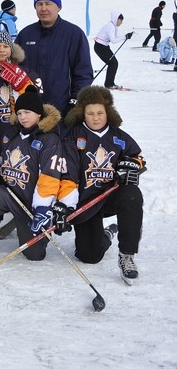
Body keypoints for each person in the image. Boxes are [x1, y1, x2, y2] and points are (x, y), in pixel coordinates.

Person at [0, 87, 76, 261]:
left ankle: (29, 225)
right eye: (19, 113)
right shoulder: (11, 132)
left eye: (27, 112)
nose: (22, 117)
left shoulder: (49, 139)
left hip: (31, 202)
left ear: (39, 114)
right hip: (9, 193)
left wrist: (43, 208)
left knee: (34, 254)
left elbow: (50, 176)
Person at [63, 86, 146, 285]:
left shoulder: (119, 137)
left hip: (110, 196)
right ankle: (106, 235)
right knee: (89, 256)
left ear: (108, 111)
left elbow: (138, 158)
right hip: (85, 202)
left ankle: (127, 255)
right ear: (82, 113)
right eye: (90, 113)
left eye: (100, 113)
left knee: (132, 195)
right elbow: (68, 172)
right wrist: (65, 204)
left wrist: (132, 165)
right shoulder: (73, 136)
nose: (96, 118)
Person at [16, 0, 93, 116]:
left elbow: (83, 73)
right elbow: (14, 68)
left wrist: (75, 100)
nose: (43, 8)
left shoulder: (73, 34)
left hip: (63, 109)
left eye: (48, 3)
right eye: (39, 4)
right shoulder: (26, 34)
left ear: (59, 7)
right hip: (30, 110)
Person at [93, 11, 133, 89]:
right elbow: (113, 40)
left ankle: (109, 83)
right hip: (100, 47)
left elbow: (116, 37)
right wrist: (125, 37)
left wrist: (126, 36)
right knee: (113, 63)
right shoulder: (110, 27)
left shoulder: (114, 27)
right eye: (121, 20)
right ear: (116, 19)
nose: (121, 23)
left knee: (113, 63)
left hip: (104, 47)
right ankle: (109, 84)